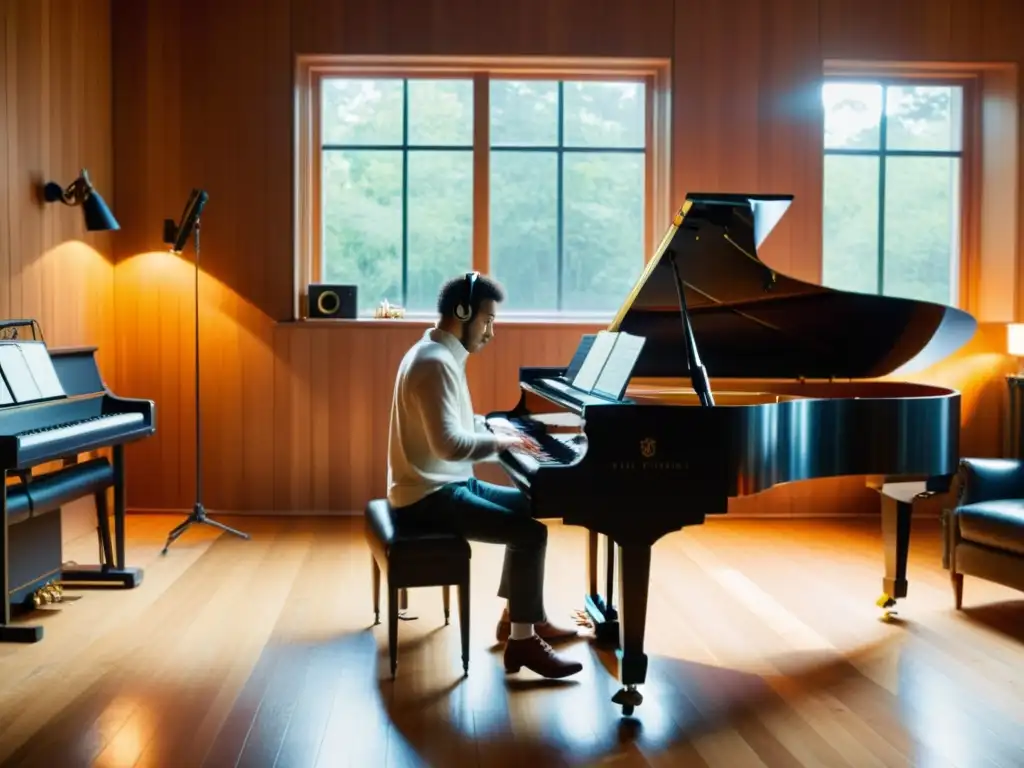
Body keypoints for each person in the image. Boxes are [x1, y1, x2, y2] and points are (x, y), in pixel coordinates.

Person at [385, 272, 583, 679]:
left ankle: (522, 617)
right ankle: (524, 644)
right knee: (530, 534)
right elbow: (449, 445)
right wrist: (504, 445)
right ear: (463, 313)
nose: (492, 331)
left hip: (447, 482)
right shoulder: (434, 363)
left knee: (533, 505)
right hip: (427, 497)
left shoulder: (438, 355)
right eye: (488, 320)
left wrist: (500, 428)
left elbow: (459, 422)